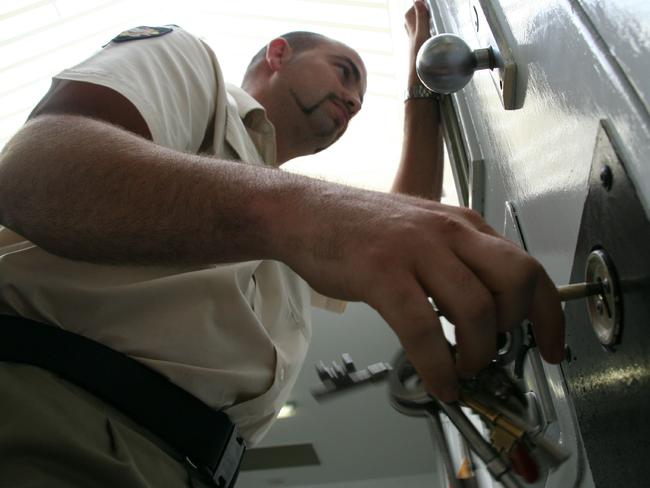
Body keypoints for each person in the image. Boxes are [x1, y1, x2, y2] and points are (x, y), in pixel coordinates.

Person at [0, 1, 564, 486]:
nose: (350, 101)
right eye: (343, 72)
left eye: (360, 101)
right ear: (277, 54)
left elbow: (400, 232)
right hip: (49, 413)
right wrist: (308, 218)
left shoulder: (292, 227)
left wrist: (421, 94)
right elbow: (35, 172)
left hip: (176, 463)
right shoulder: (188, 64)